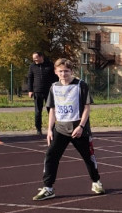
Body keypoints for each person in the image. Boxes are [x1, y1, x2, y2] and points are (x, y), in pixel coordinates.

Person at [32, 58, 104, 201]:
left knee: (88, 158)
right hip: (60, 129)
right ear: (55, 72)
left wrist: (81, 126)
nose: (63, 74)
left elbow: (87, 107)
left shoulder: (81, 85)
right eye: (60, 71)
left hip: (79, 130)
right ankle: (48, 188)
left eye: (66, 71)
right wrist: (50, 129)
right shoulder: (54, 87)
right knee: (51, 156)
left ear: (71, 71)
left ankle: (96, 182)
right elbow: (52, 109)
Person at [26, 52, 58, 136]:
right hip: (37, 91)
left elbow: (55, 77)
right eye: (33, 59)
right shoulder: (32, 66)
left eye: (36, 58)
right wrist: (30, 90)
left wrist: (56, 88)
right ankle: (38, 129)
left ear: (41, 57)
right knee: (38, 111)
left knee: (51, 110)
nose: (34, 60)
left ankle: (52, 128)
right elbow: (30, 78)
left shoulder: (50, 65)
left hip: (49, 91)